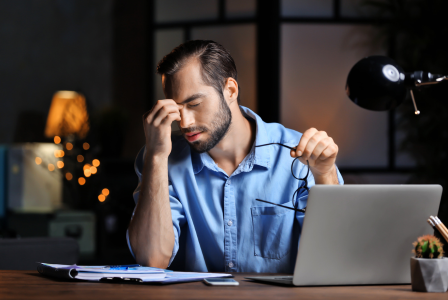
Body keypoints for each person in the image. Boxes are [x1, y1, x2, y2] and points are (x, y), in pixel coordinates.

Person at [127, 40, 343, 273]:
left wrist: (325, 175)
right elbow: (151, 260)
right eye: (177, 109)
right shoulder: (162, 158)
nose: (185, 122)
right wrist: (157, 156)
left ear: (230, 89)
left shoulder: (300, 157)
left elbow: (335, 257)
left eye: (195, 103)